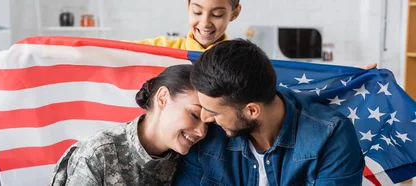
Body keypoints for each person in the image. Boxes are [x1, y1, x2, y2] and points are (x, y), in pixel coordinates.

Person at [174, 39, 365, 185]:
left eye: (213, 112)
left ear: (251, 111)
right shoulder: (205, 135)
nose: (205, 119)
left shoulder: (331, 136)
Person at [50, 64, 207, 186]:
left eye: (208, 123)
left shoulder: (187, 160)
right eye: (194, 115)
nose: (201, 131)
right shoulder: (98, 154)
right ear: (163, 98)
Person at [131, 0, 378, 69]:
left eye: (217, 14)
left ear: (234, 13)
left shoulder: (241, 59)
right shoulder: (161, 47)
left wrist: (350, 76)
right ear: (188, 7)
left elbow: (294, 80)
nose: (205, 22)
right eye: (197, 11)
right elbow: (110, 53)